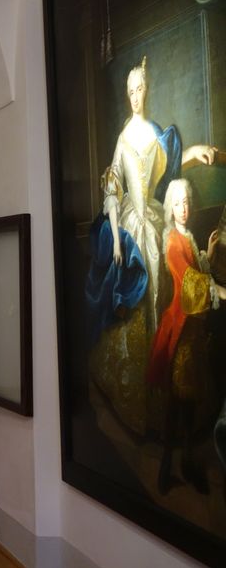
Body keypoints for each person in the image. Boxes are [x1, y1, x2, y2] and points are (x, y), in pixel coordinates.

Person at [86, 57, 218, 436]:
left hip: (157, 221)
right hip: (132, 227)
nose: (134, 96)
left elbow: (169, 173)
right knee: (138, 301)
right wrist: (116, 236)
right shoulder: (123, 138)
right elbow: (113, 189)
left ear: (148, 90)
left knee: (165, 298)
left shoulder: (158, 134)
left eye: (139, 89)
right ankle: (138, 399)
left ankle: (167, 394)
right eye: (130, 91)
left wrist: (193, 151)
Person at [144, 179, 225, 493]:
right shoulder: (172, 241)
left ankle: (186, 464)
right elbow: (189, 281)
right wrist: (218, 290)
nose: (184, 209)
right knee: (177, 402)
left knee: (188, 403)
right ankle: (168, 469)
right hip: (180, 329)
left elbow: (197, 267)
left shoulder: (187, 236)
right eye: (178, 203)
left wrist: (209, 252)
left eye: (187, 202)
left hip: (193, 331)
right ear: (170, 207)